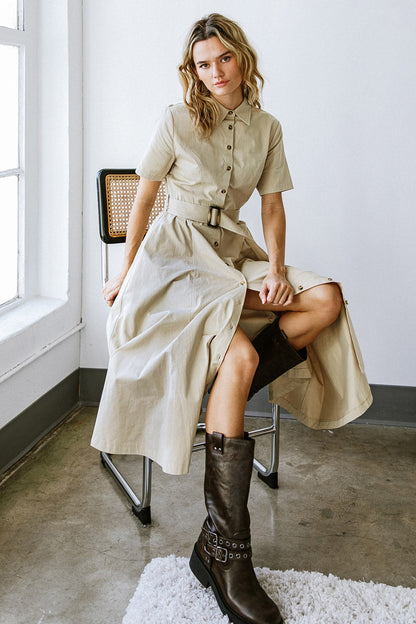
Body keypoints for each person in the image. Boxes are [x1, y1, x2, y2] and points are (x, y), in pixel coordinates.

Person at [91, 13, 372, 624]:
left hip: (231, 258)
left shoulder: (268, 127)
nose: (214, 72)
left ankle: (223, 388)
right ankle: (225, 550)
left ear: (242, 57)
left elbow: (272, 208)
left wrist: (274, 267)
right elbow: (144, 199)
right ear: (191, 70)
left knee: (325, 299)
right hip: (173, 261)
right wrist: (125, 270)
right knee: (242, 354)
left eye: (224, 58)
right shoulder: (175, 119)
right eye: (202, 63)